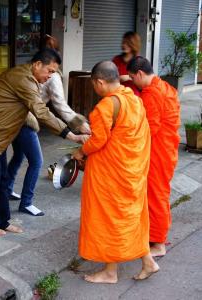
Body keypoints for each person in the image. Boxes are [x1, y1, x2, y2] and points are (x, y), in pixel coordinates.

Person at [0, 48, 88, 236]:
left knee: (1, 177)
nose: (50, 76)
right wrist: (71, 135)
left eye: (53, 73)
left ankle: (1, 220)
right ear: (37, 64)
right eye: (49, 71)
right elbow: (41, 112)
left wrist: (74, 125)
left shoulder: (30, 77)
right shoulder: (23, 79)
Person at [72, 61, 159, 283]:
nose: (94, 88)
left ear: (99, 82)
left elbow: (98, 141)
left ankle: (110, 272)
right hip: (131, 170)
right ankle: (148, 261)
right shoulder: (133, 98)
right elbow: (140, 134)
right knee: (130, 217)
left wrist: (80, 150)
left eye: (94, 84)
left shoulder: (106, 106)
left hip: (111, 174)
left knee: (110, 219)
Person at [7, 35, 91, 217]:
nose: (50, 74)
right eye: (50, 70)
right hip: (25, 120)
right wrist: (77, 127)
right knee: (36, 161)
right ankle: (26, 202)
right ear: (41, 62)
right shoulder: (46, 76)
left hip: (16, 118)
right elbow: (56, 107)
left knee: (18, 157)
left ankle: (6, 189)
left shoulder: (26, 70)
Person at [127, 56, 180, 257]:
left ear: (140, 74)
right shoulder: (165, 86)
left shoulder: (151, 93)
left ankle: (158, 243)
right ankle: (154, 235)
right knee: (159, 194)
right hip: (167, 149)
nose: (133, 83)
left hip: (157, 152)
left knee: (156, 196)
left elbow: (149, 128)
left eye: (133, 78)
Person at [112, 31, 141, 95]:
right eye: (124, 42)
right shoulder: (116, 59)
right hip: (118, 94)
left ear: (134, 44)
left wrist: (129, 77)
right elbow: (110, 78)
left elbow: (143, 81)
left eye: (128, 43)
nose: (124, 45)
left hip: (134, 97)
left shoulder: (139, 61)